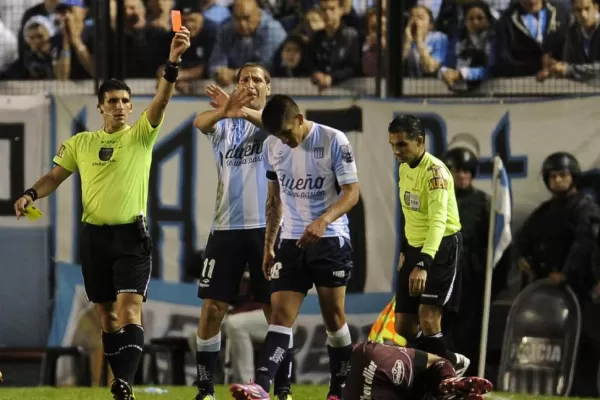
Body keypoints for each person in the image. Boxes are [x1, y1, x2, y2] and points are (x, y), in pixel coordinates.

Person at [13, 28, 192, 400]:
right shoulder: (81, 143)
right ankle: (122, 380)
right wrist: (31, 193)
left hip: (132, 237)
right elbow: (54, 177)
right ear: (100, 106)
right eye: (113, 101)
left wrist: (173, 62)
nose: (121, 106)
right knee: (107, 318)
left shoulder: (141, 135)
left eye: (126, 100)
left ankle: (122, 382)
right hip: (94, 238)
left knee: (129, 313)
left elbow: (160, 100)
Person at [230, 94, 360, 400]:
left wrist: (323, 221)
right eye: (278, 135)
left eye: (288, 133)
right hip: (290, 241)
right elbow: (274, 201)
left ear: (299, 119)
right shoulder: (272, 146)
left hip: (331, 240)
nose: (285, 140)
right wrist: (268, 245)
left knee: (334, 318)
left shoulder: (333, 140)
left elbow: (352, 193)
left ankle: (338, 390)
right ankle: (261, 386)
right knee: (279, 315)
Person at [192, 64, 294, 400]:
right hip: (226, 228)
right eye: (243, 80)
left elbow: (272, 125)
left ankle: (283, 389)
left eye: (256, 80)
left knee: (274, 311)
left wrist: (242, 110)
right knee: (212, 309)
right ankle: (205, 388)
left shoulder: (277, 122)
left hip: (268, 229)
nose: (249, 84)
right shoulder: (226, 124)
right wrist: (225, 110)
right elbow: (199, 122)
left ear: (269, 86)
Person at [388, 115, 469, 376]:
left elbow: (437, 223)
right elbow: (409, 213)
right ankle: (449, 361)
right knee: (403, 326)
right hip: (414, 248)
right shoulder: (403, 167)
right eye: (392, 145)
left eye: (401, 145)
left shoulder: (436, 174)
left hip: (441, 247)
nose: (396, 151)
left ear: (420, 141)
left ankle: (442, 378)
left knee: (428, 316)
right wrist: (405, 249)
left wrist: (423, 263)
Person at [343, 340, 493, 400]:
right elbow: (440, 361)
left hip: (366, 363)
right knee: (439, 364)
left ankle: (447, 385)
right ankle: (448, 381)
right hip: (376, 360)